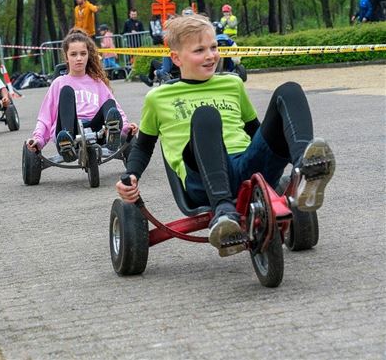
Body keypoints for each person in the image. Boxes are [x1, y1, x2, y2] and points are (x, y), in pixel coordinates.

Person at [116, 15, 335, 257]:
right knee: (206, 115)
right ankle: (223, 212)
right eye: (200, 50)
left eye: (214, 48)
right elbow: (144, 146)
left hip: (247, 166)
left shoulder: (232, 84)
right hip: (201, 177)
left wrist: (277, 143)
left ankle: (304, 172)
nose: (210, 56)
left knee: (290, 90)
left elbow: (256, 131)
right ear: (176, 58)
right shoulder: (159, 97)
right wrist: (131, 176)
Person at [26, 29, 138, 161]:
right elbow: (45, 117)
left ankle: (112, 133)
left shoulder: (97, 82)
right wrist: (37, 139)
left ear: (88, 55)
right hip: (69, 130)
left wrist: (125, 127)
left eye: (83, 54)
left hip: (97, 130)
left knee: (109, 103)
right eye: (73, 54)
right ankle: (67, 144)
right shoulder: (59, 83)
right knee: (67, 91)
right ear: (66, 57)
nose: (79, 58)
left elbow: (116, 109)